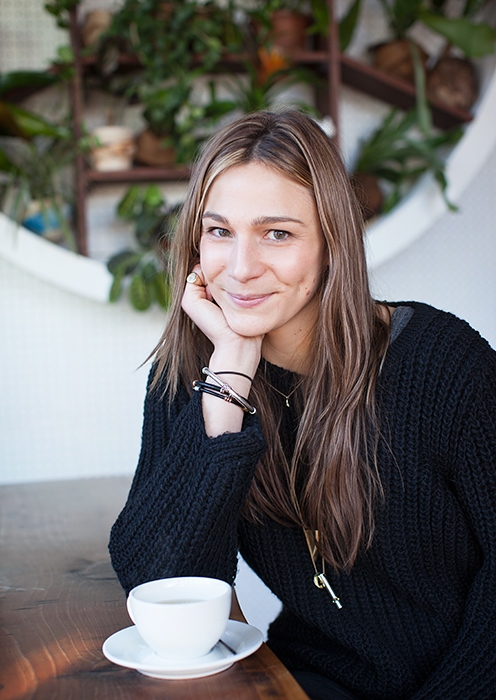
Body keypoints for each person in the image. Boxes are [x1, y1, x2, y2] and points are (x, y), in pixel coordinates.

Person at [109, 110, 496, 700]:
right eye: (219, 232)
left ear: (331, 243)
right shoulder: (193, 377)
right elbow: (158, 586)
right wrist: (228, 382)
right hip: (308, 680)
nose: (241, 268)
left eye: (278, 234)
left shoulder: (444, 366)